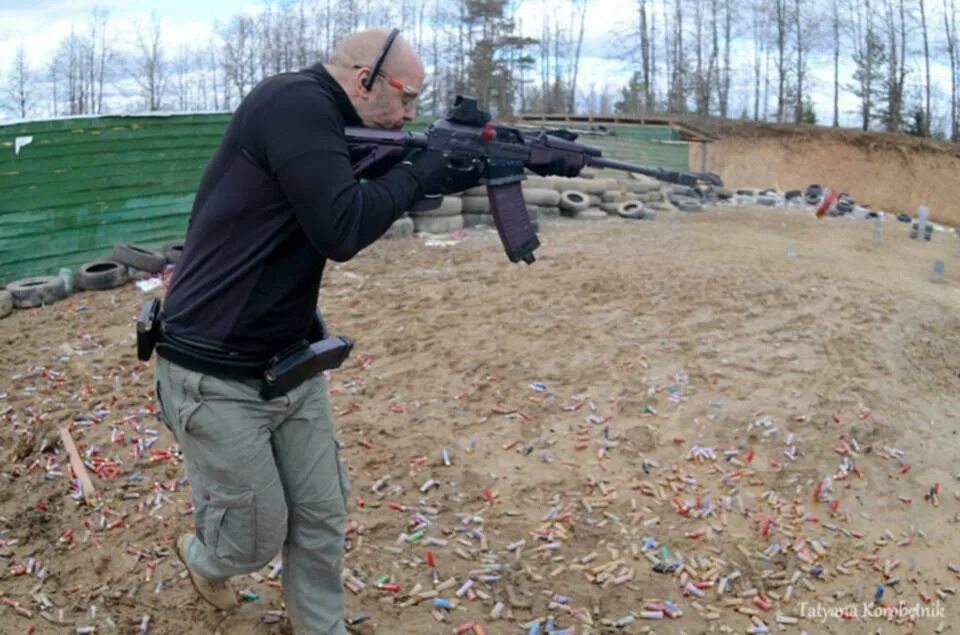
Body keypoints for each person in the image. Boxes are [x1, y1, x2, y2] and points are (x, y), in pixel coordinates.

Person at [152, 28, 479, 634]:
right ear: (364, 80)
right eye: (406, 99)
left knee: (322, 516)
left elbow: (377, 183)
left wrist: (448, 168)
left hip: (291, 361)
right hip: (211, 369)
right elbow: (342, 228)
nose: (410, 115)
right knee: (252, 540)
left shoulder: (332, 125)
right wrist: (419, 169)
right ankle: (202, 558)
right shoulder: (293, 104)